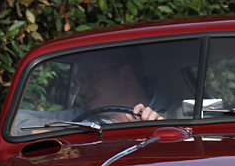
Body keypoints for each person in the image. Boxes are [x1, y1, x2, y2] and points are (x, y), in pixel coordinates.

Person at [10, 47, 165, 135]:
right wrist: (74, 131)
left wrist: (163, 130)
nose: (82, 90)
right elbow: (11, 125)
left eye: (91, 77)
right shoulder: (80, 118)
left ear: (125, 75)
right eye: (81, 81)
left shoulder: (181, 113)